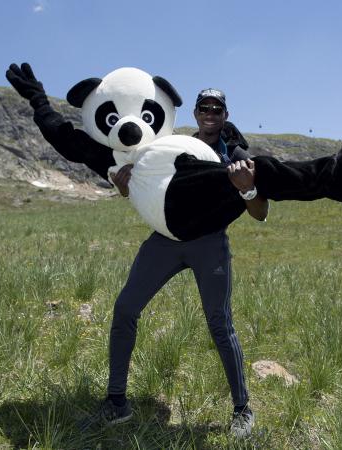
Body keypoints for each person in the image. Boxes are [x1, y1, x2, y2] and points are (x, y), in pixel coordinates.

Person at [89, 88, 266, 438]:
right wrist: (125, 187)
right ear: (197, 114)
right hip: (166, 241)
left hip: (209, 243)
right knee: (125, 308)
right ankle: (116, 403)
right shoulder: (173, 145)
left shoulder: (238, 154)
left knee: (219, 323)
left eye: (217, 108)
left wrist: (247, 187)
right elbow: (146, 192)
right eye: (205, 107)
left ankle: (242, 410)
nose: (210, 113)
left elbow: (260, 213)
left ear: (225, 115)